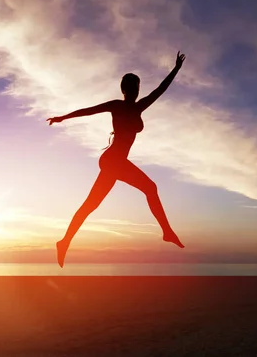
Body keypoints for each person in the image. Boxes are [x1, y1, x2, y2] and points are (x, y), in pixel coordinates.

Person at [47, 51, 187, 267]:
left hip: (115, 162)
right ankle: (167, 232)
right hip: (113, 160)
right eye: (132, 87)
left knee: (91, 205)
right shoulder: (116, 106)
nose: (136, 90)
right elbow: (88, 111)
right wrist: (62, 118)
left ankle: (64, 242)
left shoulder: (140, 106)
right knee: (150, 187)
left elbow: (161, 90)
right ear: (124, 89)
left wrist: (176, 69)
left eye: (138, 87)